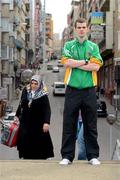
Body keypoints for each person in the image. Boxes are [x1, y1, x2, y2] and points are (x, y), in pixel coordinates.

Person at [59, 18, 103, 165]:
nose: (82, 29)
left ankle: (92, 156)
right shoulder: (68, 45)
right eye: (79, 27)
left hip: (89, 90)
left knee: (91, 124)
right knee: (69, 123)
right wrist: (85, 62)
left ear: (87, 29)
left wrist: (76, 64)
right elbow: (66, 63)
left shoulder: (93, 47)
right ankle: (67, 156)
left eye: (84, 27)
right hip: (72, 90)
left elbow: (96, 67)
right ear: (75, 29)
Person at [15, 74, 54, 159]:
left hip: (38, 122)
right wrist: (17, 116)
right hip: (25, 121)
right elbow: (21, 103)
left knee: (39, 140)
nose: (33, 85)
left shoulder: (43, 94)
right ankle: (25, 156)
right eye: (32, 83)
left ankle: (41, 158)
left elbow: (47, 109)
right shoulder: (26, 90)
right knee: (24, 138)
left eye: (36, 84)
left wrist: (46, 122)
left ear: (39, 84)